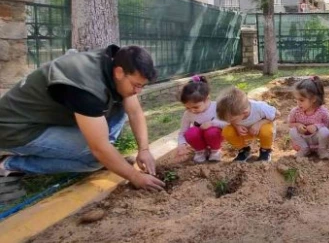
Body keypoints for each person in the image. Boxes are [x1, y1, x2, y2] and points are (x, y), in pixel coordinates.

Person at [0, 45, 165, 191]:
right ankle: (9, 164)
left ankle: (104, 154)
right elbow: (99, 149)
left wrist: (144, 149)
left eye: (142, 86)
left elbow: (135, 111)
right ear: (119, 72)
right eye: (136, 85)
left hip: (44, 118)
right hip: (16, 129)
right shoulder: (86, 89)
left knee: (123, 103)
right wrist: (135, 177)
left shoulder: (115, 62)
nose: (138, 91)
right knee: (95, 160)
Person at [218, 87, 280, 162]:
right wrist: (236, 125)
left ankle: (265, 151)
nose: (229, 121)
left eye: (232, 120)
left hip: (261, 130)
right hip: (246, 131)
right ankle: (244, 151)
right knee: (227, 131)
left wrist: (259, 124)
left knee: (266, 130)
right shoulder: (233, 112)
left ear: (245, 113)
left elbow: (277, 114)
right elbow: (231, 122)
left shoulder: (260, 108)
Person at [175, 76, 227, 163]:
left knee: (212, 131)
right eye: (187, 108)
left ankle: (215, 150)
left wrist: (212, 123)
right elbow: (182, 133)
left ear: (207, 99)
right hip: (200, 139)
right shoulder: (188, 114)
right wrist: (181, 144)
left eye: (196, 107)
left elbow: (228, 124)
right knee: (191, 133)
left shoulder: (217, 107)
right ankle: (201, 151)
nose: (192, 110)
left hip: (215, 136)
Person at [288, 76, 329, 159]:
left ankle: (322, 150)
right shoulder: (295, 112)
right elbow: (290, 124)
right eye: (297, 100)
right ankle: (304, 149)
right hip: (303, 139)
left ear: (313, 99)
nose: (298, 103)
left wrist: (317, 127)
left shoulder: (322, 112)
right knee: (292, 131)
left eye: (301, 100)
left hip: (317, 138)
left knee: (324, 131)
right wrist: (298, 125)